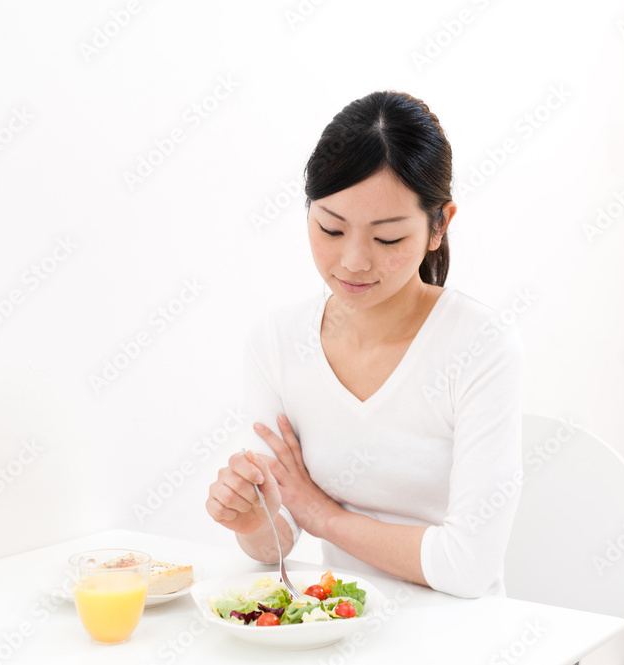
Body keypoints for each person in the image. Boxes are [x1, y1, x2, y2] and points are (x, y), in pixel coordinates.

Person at [205, 90, 525, 599]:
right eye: (331, 228)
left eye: (387, 239)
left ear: (439, 224)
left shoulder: (478, 345)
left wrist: (323, 516)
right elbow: (278, 541)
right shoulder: (277, 343)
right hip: (340, 630)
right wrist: (250, 518)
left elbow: (467, 567)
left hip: (461, 638)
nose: (353, 261)